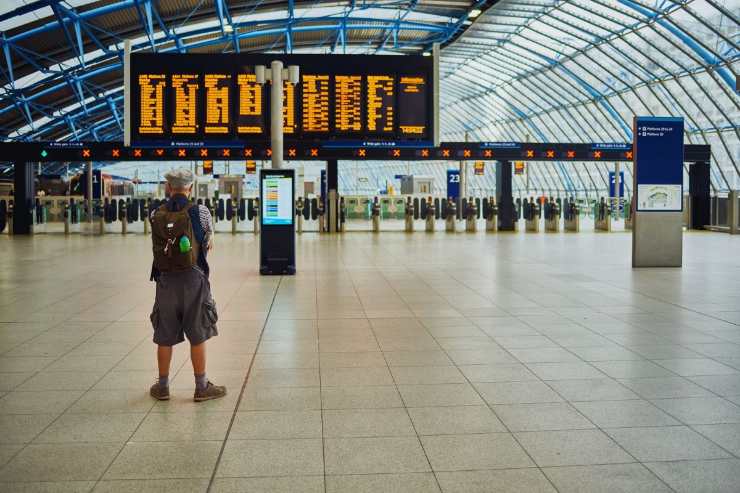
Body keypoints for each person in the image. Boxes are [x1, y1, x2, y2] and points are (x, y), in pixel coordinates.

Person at [148, 168, 226, 402]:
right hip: (194, 279)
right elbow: (208, 242)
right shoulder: (200, 211)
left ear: (168, 188)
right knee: (198, 332)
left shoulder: (155, 213)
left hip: (165, 279)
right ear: (190, 188)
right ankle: (201, 387)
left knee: (164, 334)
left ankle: (162, 387)